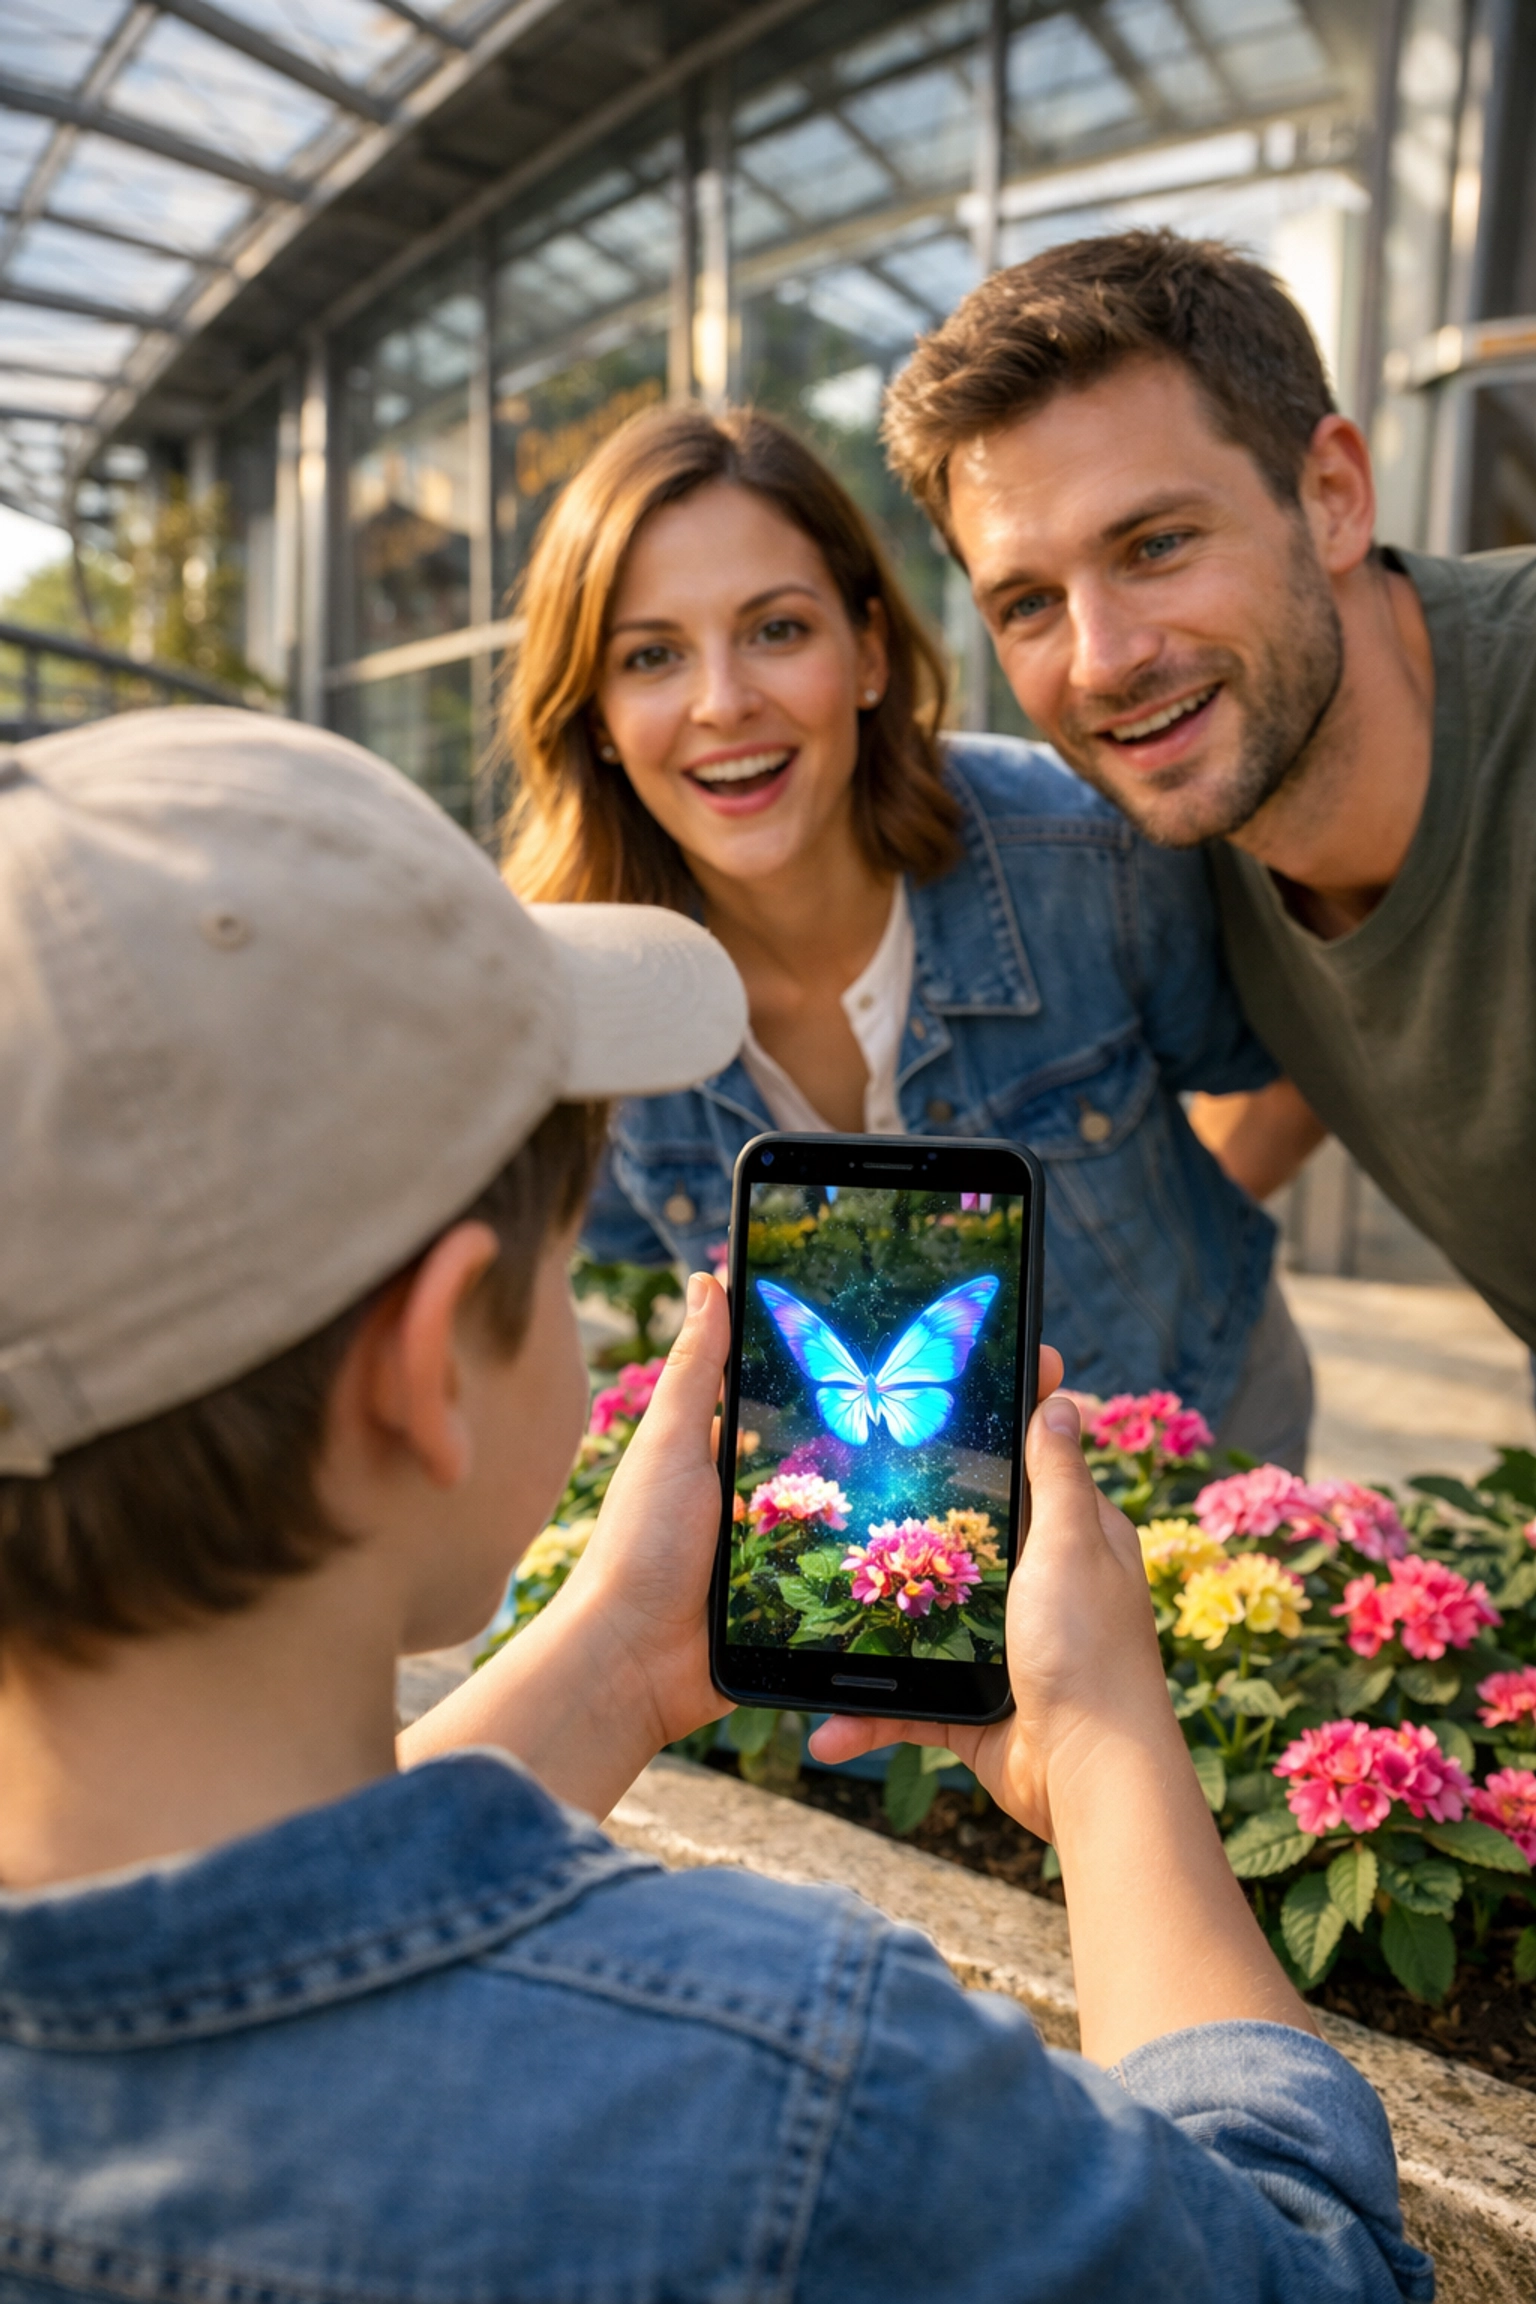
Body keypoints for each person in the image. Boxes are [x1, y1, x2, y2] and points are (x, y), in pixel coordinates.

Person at [0, 706, 1429, 2304]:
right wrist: (1104, 1751)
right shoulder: (794, 2091)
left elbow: (249, 1938)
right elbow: (1309, 2268)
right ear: (425, 1375)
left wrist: (616, 1656)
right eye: (563, 1259)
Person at [505, 402, 1314, 1467]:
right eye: (650, 656)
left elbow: (1296, 1053)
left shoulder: (1085, 851)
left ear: (870, 650)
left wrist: (1154, 1246)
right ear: (595, 716)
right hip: (882, 1518)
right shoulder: (583, 999)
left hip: (1191, 1436)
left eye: (777, 630)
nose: (722, 701)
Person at [883, 227, 1536, 1364]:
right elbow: (1332, 1044)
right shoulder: (1188, 818)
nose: (1102, 661)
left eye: (1158, 543)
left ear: (1332, 494)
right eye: (1029, 602)